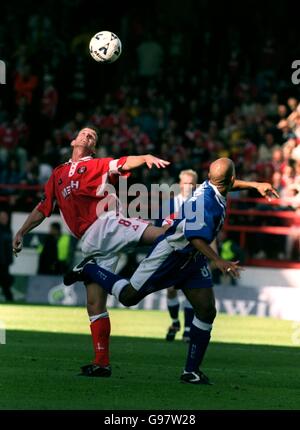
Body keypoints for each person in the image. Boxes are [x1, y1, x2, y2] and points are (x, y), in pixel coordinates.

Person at [64, 158, 279, 384]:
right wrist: (218, 260)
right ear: (231, 179)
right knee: (128, 297)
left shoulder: (211, 186)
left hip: (192, 260)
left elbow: (226, 183)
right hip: (170, 254)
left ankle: (191, 371)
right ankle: (89, 269)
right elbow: (195, 236)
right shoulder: (207, 202)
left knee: (206, 310)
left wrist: (255, 185)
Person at [12, 126, 170, 377]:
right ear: (74, 140)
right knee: (94, 303)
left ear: (93, 148)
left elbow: (123, 162)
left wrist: (145, 158)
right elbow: (44, 207)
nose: (88, 136)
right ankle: (102, 363)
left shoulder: (97, 164)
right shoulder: (58, 174)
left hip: (107, 223)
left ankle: (182, 232)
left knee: (162, 235)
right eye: (85, 133)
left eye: (93, 136)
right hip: (89, 241)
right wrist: (22, 231)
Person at [165, 169, 198, 343]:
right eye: (185, 183)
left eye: (191, 183)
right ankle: (175, 322)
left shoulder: (198, 205)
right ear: (180, 184)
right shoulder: (169, 205)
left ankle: (186, 330)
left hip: (192, 253)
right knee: (171, 291)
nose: (188, 186)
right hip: (172, 253)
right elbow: (161, 229)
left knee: (190, 292)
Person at [0, 210, 14, 302]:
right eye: (2, 217)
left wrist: (9, 259)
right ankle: (10, 299)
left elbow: (8, 247)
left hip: (5, 262)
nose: (5, 219)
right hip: (1, 261)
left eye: (6, 217)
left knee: (6, 282)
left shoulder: (8, 230)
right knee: (6, 281)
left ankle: (9, 299)